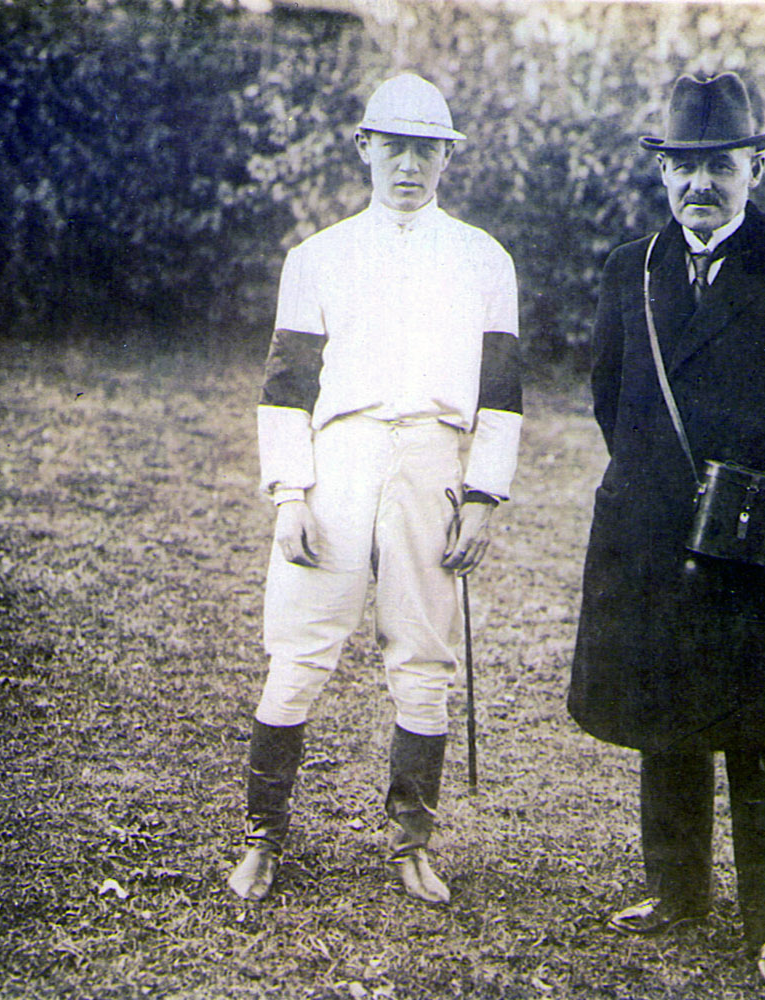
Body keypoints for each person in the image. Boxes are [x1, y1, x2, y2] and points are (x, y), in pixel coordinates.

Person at [568, 72, 765, 994]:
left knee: (759, 729)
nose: (699, 186)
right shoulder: (632, 265)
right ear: (660, 171)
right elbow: (607, 392)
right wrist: (656, 489)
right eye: (682, 168)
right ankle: (675, 892)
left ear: (756, 164)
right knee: (665, 714)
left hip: (764, 543)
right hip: (656, 534)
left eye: (719, 166)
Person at [229, 72, 522, 907]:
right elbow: (285, 388)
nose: (408, 166)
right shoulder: (317, 256)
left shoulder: (482, 259)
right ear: (364, 147)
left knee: (424, 656)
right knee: (299, 647)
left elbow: (501, 394)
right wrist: (290, 493)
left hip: (433, 460)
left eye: (425, 149)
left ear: (447, 157)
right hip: (340, 459)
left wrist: (482, 496)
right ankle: (263, 837)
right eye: (392, 146)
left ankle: (410, 845)